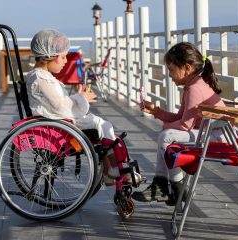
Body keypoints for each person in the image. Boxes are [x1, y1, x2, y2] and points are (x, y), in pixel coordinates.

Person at [26, 29, 140, 186]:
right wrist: (81, 98)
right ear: (50, 56)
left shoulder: (41, 77)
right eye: (63, 57)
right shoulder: (41, 78)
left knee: (102, 128)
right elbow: (60, 106)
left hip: (57, 122)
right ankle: (114, 169)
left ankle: (111, 169)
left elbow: (57, 103)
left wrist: (79, 97)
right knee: (102, 126)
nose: (66, 61)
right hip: (58, 127)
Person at [131, 42, 225, 205]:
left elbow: (184, 126)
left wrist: (165, 129)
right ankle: (170, 187)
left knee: (166, 136)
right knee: (167, 135)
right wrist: (156, 111)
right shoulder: (192, 86)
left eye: (172, 70)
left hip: (218, 137)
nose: (169, 75)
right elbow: (181, 117)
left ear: (187, 68)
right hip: (209, 132)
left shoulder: (195, 89)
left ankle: (174, 188)